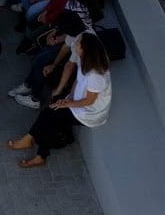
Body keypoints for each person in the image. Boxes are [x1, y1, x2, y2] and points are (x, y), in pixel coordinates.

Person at [8, 31, 111, 168]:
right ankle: (34, 143)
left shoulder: (96, 76)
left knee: (49, 115)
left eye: (78, 44)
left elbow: (90, 101)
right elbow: (77, 80)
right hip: (78, 102)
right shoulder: (84, 59)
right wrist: (69, 97)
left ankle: (37, 151)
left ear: (85, 49)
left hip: (89, 113)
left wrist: (69, 103)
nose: (75, 45)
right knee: (53, 110)